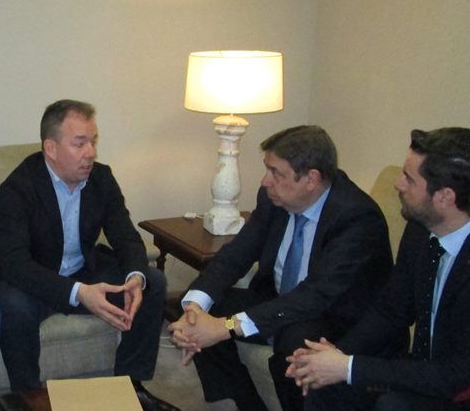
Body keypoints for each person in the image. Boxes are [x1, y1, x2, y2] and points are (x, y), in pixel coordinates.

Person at [286, 127, 470, 411]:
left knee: (393, 405)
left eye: (409, 179)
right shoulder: (422, 229)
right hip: (432, 370)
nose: (398, 184)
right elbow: (391, 310)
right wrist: (333, 356)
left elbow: (458, 376)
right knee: (325, 385)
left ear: (445, 197)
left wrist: (347, 367)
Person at [167, 125, 395, 411]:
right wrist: (195, 309)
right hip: (281, 300)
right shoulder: (273, 198)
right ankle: (242, 402)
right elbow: (236, 255)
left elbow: (316, 295)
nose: (265, 181)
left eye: (276, 173)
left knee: (294, 342)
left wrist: (225, 327)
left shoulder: (356, 217)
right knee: (199, 304)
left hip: (336, 318)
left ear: (311, 179)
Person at [0, 99, 179, 411]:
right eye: (80, 143)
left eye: (93, 141)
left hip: (82, 270)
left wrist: (134, 277)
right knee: (13, 305)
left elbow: (126, 237)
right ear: (51, 148)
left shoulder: (101, 178)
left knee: (152, 281)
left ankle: (132, 387)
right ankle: (28, 397)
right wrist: (78, 293)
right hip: (32, 279)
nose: (91, 152)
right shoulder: (18, 188)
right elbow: (14, 264)